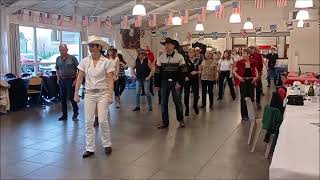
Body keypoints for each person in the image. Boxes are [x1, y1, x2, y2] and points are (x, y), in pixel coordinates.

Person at [74, 35, 114, 158]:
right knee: (88, 121)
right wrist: (76, 93)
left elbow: (110, 80)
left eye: (92, 45)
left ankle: (107, 144)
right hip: (89, 93)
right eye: (89, 45)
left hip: (102, 93)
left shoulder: (106, 62)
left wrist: (110, 95)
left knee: (102, 120)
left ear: (99, 47)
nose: (90, 48)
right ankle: (90, 148)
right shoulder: (85, 61)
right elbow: (79, 78)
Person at [154, 38, 187, 129]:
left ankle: (180, 120)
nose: (166, 46)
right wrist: (157, 84)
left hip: (175, 83)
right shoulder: (161, 57)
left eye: (168, 44)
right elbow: (157, 72)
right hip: (164, 83)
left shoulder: (179, 57)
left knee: (177, 102)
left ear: (173, 46)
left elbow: (184, 71)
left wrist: (179, 83)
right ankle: (165, 122)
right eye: (165, 45)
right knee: (163, 103)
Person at [233, 48, 258, 121]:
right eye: (242, 53)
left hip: (251, 81)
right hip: (243, 81)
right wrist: (239, 77)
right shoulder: (239, 62)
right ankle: (244, 115)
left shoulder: (253, 62)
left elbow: (255, 70)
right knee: (243, 98)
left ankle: (251, 113)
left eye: (244, 53)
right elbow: (234, 71)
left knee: (251, 97)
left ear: (248, 54)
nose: (243, 54)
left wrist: (256, 77)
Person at [55, 44, 79, 121]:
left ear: (67, 50)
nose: (62, 51)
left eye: (63, 50)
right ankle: (64, 114)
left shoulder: (72, 58)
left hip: (71, 79)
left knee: (71, 97)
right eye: (60, 50)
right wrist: (58, 78)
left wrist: (76, 80)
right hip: (62, 80)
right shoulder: (58, 59)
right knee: (62, 98)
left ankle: (75, 112)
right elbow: (57, 69)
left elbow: (78, 69)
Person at [184, 48, 201, 116]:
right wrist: (185, 76)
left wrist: (196, 72)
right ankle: (187, 108)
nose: (189, 54)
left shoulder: (198, 61)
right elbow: (183, 70)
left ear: (194, 53)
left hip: (195, 79)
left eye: (191, 52)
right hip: (187, 79)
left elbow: (200, 71)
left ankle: (195, 106)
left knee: (196, 93)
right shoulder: (185, 60)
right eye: (189, 52)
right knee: (186, 94)